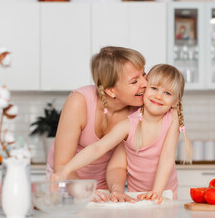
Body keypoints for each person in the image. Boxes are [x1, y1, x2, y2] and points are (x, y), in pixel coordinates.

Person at [51, 64, 193, 203]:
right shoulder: (128, 124)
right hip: (135, 195)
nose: (158, 96)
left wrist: (156, 192)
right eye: (154, 88)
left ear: (176, 101)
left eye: (167, 93)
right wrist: (66, 170)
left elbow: (167, 158)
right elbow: (98, 147)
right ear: (145, 89)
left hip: (164, 193)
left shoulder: (172, 117)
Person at [46, 46, 148, 202]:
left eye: (144, 74)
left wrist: (115, 190)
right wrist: (83, 191)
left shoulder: (138, 111)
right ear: (111, 90)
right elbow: (61, 164)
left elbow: (119, 165)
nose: (145, 83)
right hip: (67, 183)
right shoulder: (79, 102)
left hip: (104, 188)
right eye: (134, 81)